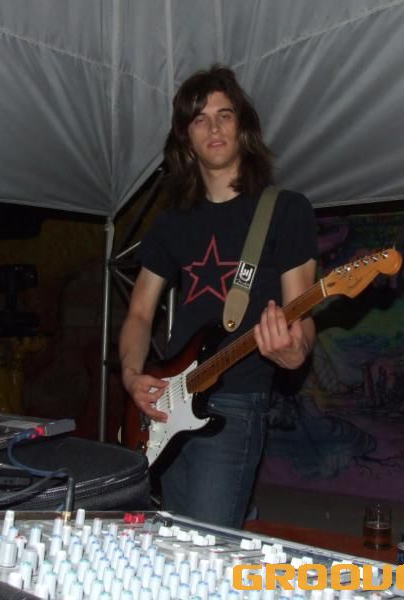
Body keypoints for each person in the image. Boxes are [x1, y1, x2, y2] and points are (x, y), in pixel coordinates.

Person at [119, 65, 317, 528]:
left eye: (224, 115)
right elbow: (140, 313)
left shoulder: (285, 210)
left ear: (242, 128)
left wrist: (296, 350)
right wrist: (131, 376)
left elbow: (303, 314)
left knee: (205, 543)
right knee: (166, 540)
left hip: (236, 402)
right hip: (167, 400)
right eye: (200, 118)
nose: (213, 127)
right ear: (185, 137)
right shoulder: (170, 223)